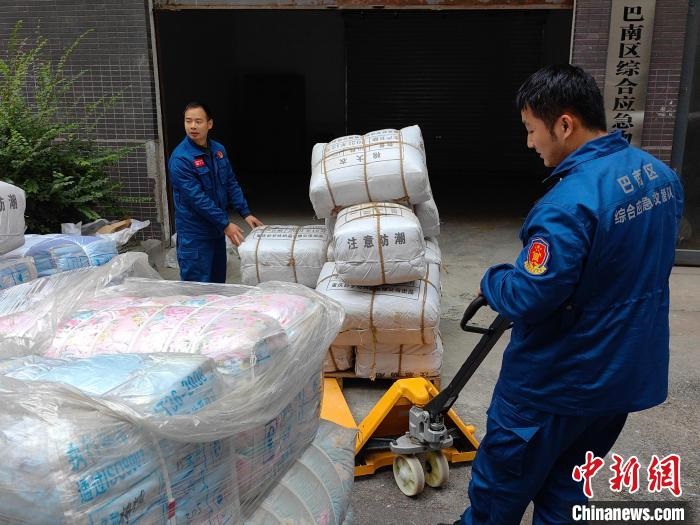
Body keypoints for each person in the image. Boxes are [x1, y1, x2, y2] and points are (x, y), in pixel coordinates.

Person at [440, 65, 684, 524]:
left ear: (565, 124)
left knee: (497, 496)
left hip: (555, 384)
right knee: (567, 495)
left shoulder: (568, 204)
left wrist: (492, 281)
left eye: (531, 129)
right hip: (620, 378)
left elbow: (529, 297)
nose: (529, 142)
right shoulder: (661, 177)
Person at [168, 101, 263, 283]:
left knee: (218, 285)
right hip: (195, 235)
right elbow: (197, 199)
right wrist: (225, 224)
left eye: (198, 121)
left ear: (209, 124)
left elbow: (230, 182)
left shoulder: (218, 151)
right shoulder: (181, 158)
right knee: (196, 288)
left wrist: (245, 212)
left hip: (216, 232)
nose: (193, 126)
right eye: (188, 121)